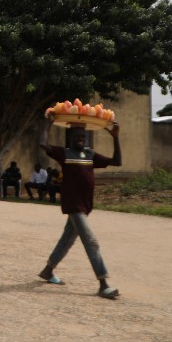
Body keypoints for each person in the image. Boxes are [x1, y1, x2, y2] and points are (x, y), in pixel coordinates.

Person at [37, 120, 122, 300]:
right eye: (76, 136)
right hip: (73, 205)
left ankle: (48, 270)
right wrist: (48, 123)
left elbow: (117, 161)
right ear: (70, 138)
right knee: (91, 242)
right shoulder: (65, 153)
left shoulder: (90, 154)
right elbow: (43, 144)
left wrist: (115, 137)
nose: (80, 139)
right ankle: (103, 283)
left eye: (83, 136)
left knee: (67, 240)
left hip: (85, 205)